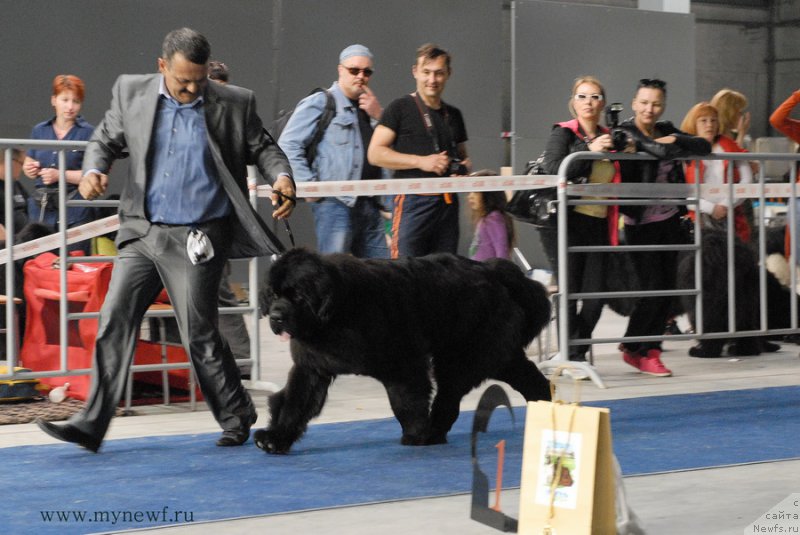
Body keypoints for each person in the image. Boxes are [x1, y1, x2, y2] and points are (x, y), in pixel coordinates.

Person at [35, 27, 295, 452]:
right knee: (114, 319)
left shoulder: (234, 102)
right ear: (161, 66)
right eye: (182, 81)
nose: (192, 89)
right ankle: (91, 423)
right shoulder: (131, 92)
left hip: (198, 235)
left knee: (198, 333)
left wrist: (282, 177)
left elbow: (264, 147)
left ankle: (236, 413)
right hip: (143, 231)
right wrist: (94, 170)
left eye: (199, 80)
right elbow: (105, 138)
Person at [616, 78, 711, 377]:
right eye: (644, 102)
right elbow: (657, 151)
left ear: (664, 106)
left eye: (656, 103)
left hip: (671, 220)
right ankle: (635, 346)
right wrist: (668, 145)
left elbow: (704, 145)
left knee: (668, 291)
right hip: (640, 223)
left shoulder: (666, 128)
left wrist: (672, 139)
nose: (650, 109)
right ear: (634, 103)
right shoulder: (624, 131)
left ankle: (650, 350)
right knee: (653, 289)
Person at [279, 44, 388, 258]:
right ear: (340, 70)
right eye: (354, 70)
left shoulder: (370, 107)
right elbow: (288, 143)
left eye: (367, 72)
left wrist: (379, 116)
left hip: (370, 202)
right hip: (335, 203)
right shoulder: (322, 101)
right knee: (335, 270)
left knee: (382, 271)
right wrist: (310, 189)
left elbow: (385, 152)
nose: (361, 76)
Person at [540, 76, 620, 362]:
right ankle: (572, 357)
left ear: (603, 103)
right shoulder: (563, 133)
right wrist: (589, 151)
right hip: (565, 223)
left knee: (596, 297)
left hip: (599, 223)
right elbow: (553, 167)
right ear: (573, 102)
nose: (589, 102)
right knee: (570, 291)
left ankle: (574, 352)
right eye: (582, 96)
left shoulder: (611, 136)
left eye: (595, 97)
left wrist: (627, 152)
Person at [368, 43, 471, 258]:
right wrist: (421, 162)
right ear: (415, 71)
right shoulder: (400, 108)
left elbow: (463, 157)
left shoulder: (454, 115)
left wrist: (463, 168)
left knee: (446, 270)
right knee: (405, 270)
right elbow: (375, 154)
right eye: (426, 72)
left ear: (448, 74)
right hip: (412, 202)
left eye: (439, 73)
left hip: (447, 204)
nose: (432, 79)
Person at [206, 58, 253, 378]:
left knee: (219, 289)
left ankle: (243, 360)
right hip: (196, 220)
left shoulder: (232, 124)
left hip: (220, 220)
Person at [22, 75, 95, 248]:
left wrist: (59, 175)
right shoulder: (40, 130)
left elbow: (93, 174)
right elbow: (27, 163)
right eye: (65, 100)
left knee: (74, 258)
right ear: (54, 100)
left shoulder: (89, 132)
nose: (70, 107)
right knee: (40, 259)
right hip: (42, 208)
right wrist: (30, 168)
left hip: (75, 208)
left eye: (76, 101)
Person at [680, 102, 753, 242]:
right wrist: (711, 208)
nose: (709, 125)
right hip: (698, 217)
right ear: (693, 124)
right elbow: (681, 193)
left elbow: (747, 180)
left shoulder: (730, 146)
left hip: (731, 214)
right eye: (703, 120)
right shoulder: (684, 152)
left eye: (713, 120)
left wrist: (726, 204)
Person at [466, 171, 514, 261]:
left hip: (489, 269)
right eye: (469, 192)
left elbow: (502, 253)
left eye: (475, 192)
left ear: (489, 194)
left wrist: (502, 268)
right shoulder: (485, 219)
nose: (470, 196)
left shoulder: (494, 219)